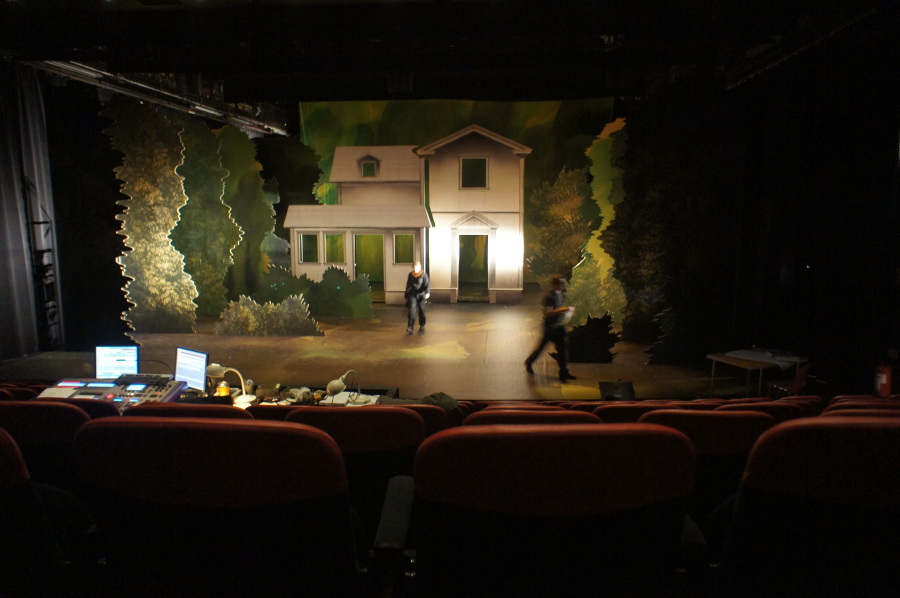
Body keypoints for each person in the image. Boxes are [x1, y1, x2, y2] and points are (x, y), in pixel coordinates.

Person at [524, 275, 576, 382]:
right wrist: (562, 310)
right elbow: (548, 313)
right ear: (555, 284)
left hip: (557, 326)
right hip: (551, 328)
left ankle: (563, 372)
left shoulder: (559, 294)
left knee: (558, 348)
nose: (562, 285)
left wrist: (563, 312)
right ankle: (562, 372)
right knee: (555, 348)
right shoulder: (549, 297)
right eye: (560, 283)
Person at [405, 261, 430, 334]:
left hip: (421, 295)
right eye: (414, 267)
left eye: (417, 267)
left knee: (421, 310)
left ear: (420, 267)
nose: (416, 269)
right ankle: (410, 327)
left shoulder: (423, 275)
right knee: (411, 311)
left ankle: (422, 324)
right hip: (413, 295)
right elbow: (408, 285)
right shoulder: (411, 275)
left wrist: (427, 292)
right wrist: (406, 294)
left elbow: (427, 284)